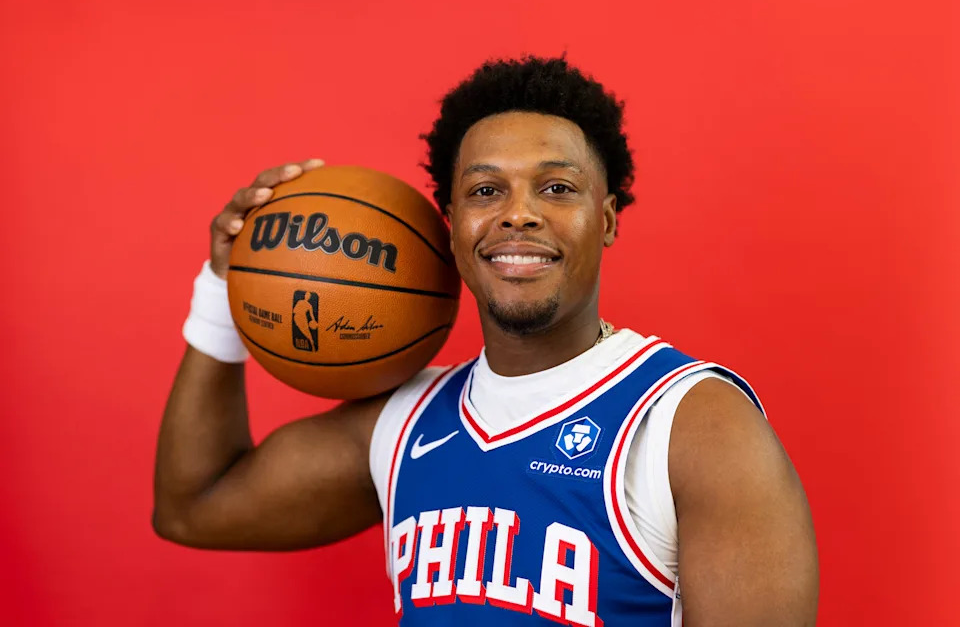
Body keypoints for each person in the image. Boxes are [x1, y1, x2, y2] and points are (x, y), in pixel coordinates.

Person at [154, 56, 818, 626]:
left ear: (607, 218)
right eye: (485, 189)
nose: (518, 212)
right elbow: (196, 505)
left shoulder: (690, 425)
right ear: (450, 228)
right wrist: (223, 285)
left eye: (557, 188)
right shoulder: (405, 422)